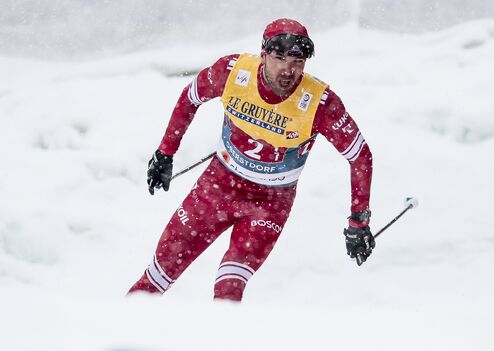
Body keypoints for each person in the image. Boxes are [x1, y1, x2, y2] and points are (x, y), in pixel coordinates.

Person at [128, 18, 375, 301]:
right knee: (156, 279)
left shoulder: (320, 102)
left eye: (297, 61)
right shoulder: (232, 73)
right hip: (217, 188)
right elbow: (190, 97)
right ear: (263, 54)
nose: (287, 70)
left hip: (268, 205)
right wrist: (165, 153)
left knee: (228, 289)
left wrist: (359, 221)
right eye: (279, 58)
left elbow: (360, 157)